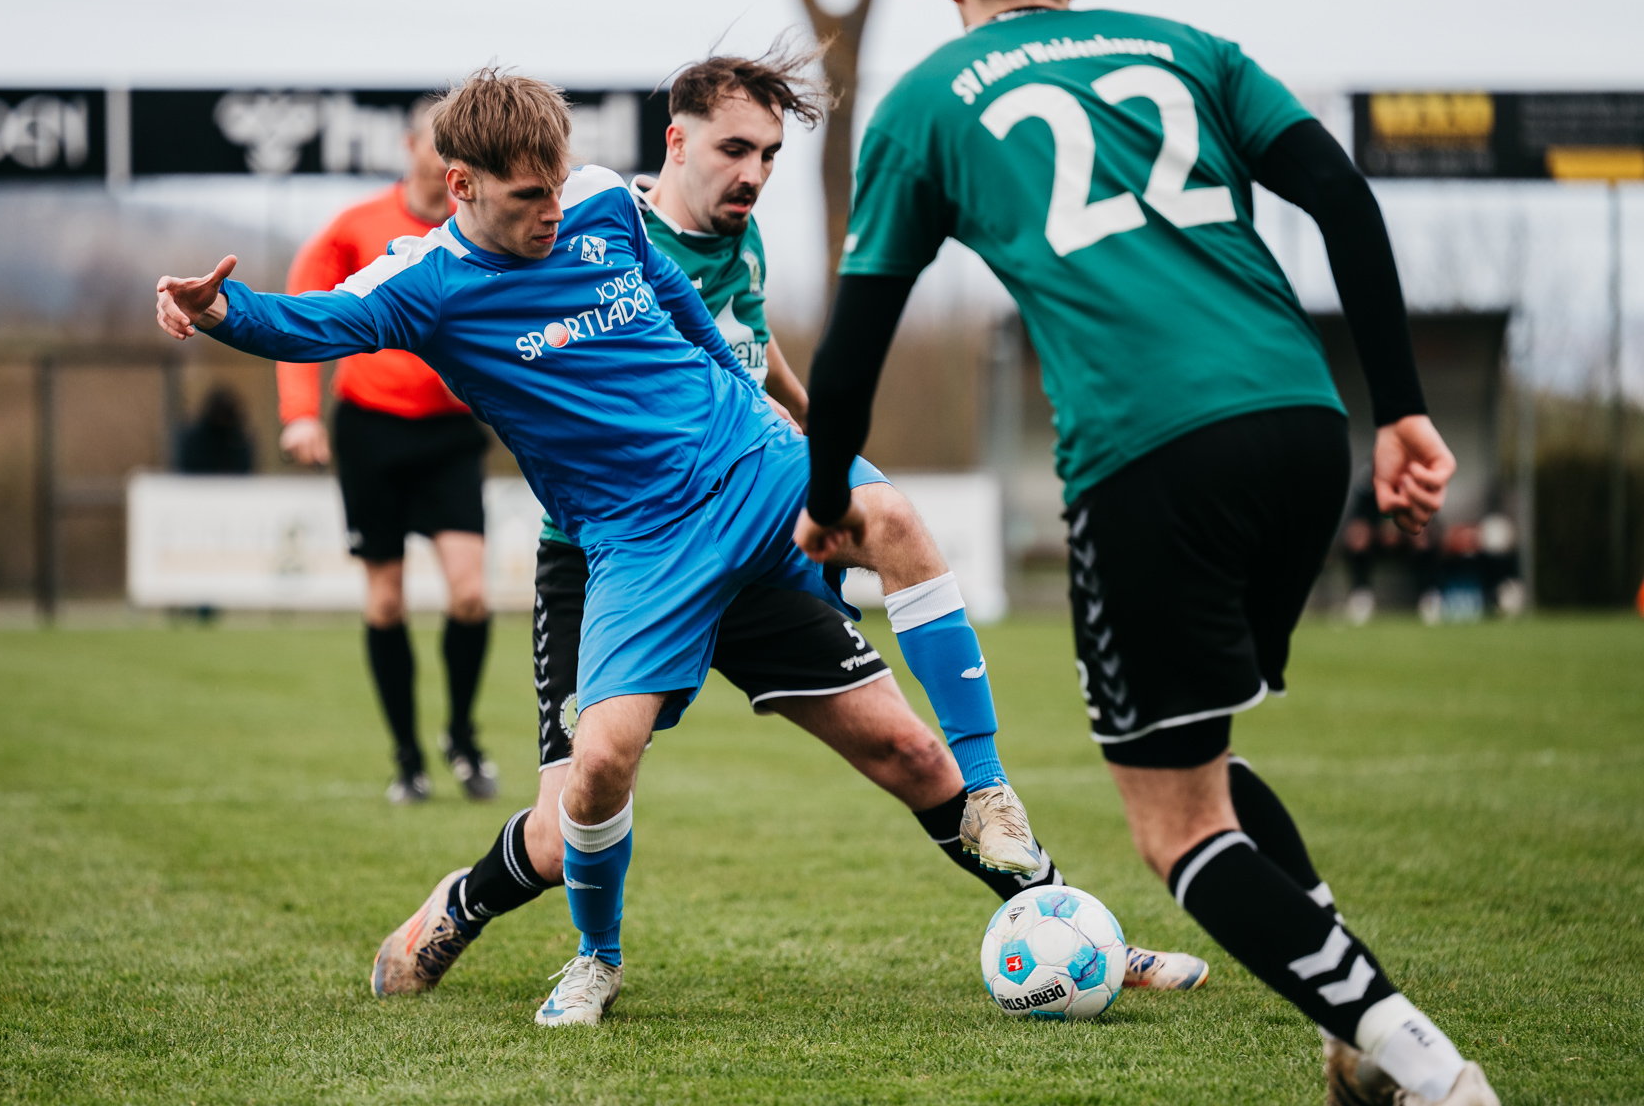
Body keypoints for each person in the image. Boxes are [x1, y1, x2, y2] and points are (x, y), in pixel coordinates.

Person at [153, 68, 1046, 1028]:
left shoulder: (602, 199)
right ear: (463, 187)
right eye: (526, 197)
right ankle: (571, 948)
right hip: (631, 546)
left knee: (908, 654)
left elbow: (674, 295)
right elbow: (317, 321)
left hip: (747, 471)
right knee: (592, 777)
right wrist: (218, 313)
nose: (551, 212)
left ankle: (1045, 895)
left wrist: (743, 395)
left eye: (557, 186)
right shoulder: (428, 285)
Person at [798, 0, 1494, 1103]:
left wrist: (826, 500)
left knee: (1175, 830)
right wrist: (1405, 411)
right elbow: (1342, 199)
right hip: (1299, 424)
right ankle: (1350, 1039)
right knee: (1204, 756)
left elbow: (857, 341)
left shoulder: (928, 100)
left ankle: (1419, 1063)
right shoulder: (1189, 48)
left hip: (1148, 458)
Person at [367, 51, 1208, 1008]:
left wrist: (823, 444)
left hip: (749, 535)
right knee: (568, 827)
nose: (754, 175)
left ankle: (1078, 932)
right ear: (674, 143)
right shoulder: (580, 229)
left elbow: (753, 362)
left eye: (769, 154)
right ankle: (469, 905)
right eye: (735, 150)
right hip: (613, 561)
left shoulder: (745, 244)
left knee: (913, 754)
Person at [277, 104, 496, 804]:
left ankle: (461, 736)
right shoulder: (356, 227)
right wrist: (300, 414)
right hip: (370, 429)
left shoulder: (482, 229)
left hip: (451, 432)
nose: (443, 156)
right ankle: (407, 758)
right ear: (410, 147)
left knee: (469, 594)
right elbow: (300, 310)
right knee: (386, 598)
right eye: (435, 142)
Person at [175, 385, 254, 474]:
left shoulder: (237, 440)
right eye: (220, 414)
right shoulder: (195, 439)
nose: (223, 419)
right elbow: (190, 467)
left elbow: (244, 469)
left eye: (226, 415)